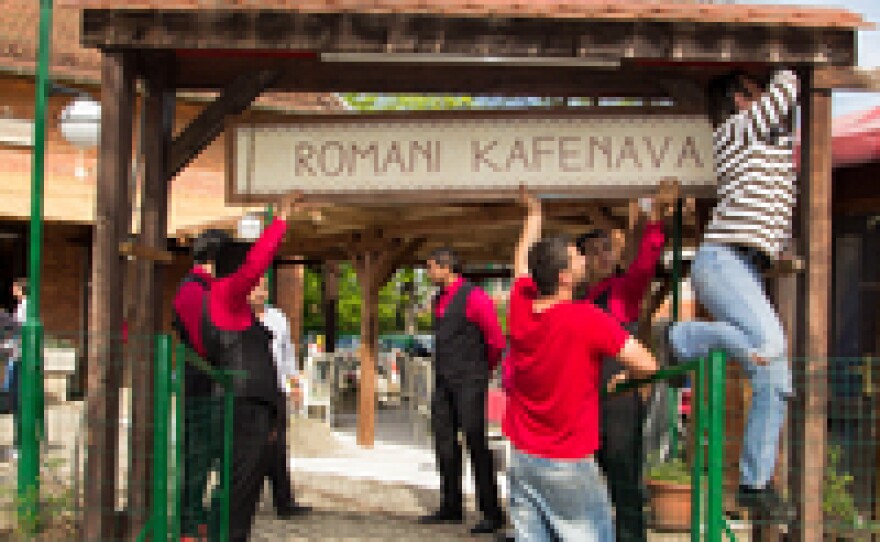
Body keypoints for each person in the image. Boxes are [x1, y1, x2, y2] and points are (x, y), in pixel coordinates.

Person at [660, 69, 798, 522]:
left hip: (743, 268)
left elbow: (785, 116)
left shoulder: (769, 141)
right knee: (771, 348)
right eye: (755, 91)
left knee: (772, 375)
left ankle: (755, 484)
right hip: (723, 261)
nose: (765, 96)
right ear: (741, 99)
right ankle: (684, 337)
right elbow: (787, 90)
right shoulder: (735, 131)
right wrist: (785, 67)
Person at [503, 189, 658, 541]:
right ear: (564, 277)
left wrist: (533, 216)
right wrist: (629, 378)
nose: (585, 260)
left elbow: (520, 266)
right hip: (568, 461)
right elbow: (647, 364)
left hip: (524, 459)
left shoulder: (520, 308)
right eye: (577, 257)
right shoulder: (586, 318)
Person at [576, 179, 678, 542]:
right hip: (585, 405)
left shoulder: (620, 294)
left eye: (607, 250)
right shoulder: (576, 300)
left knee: (624, 487)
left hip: (619, 402)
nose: (602, 256)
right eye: (593, 250)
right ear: (580, 259)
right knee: (587, 488)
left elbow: (645, 264)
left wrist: (656, 217)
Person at [199, 194, 301, 542]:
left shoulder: (232, 304)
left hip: (252, 405)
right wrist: (281, 220)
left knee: (244, 487)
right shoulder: (226, 293)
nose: (255, 282)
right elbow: (256, 264)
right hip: (242, 405)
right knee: (239, 487)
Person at [420, 248, 506, 535]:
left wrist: (483, 371)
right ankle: (451, 505)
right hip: (444, 380)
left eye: (431, 267)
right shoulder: (438, 299)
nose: (428, 273)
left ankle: (492, 512)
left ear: (447, 267)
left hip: (470, 379)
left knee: (476, 443)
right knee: (443, 440)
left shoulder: (475, 297)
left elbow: (495, 339)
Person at [172, 229, 227, 541]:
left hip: (210, 381)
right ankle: (188, 520)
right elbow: (204, 340)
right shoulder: (193, 290)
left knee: (208, 454)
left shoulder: (207, 288)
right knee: (197, 453)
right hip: (200, 381)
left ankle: (196, 514)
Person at [248, 275, 311, 519]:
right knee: (250, 448)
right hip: (249, 391)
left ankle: (284, 502)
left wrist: (294, 384)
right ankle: (246, 500)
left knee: (278, 446)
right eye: (255, 287)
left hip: (275, 391)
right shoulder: (240, 318)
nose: (260, 292)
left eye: (264, 287)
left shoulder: (278, 318)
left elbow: (287, 355)